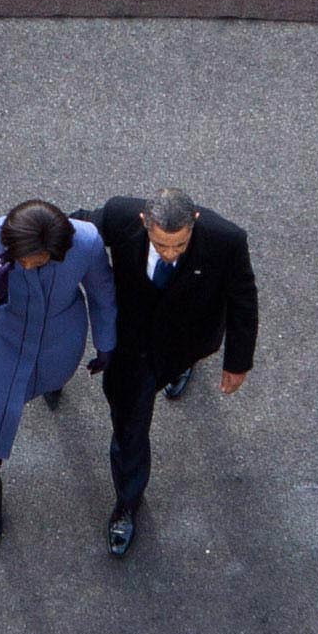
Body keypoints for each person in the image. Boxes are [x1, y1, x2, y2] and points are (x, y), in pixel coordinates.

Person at [87, 186, 256, 556]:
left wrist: (238, 362)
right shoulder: (118, 215)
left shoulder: (227, 239)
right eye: (162, 245)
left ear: (194, 223)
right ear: (144, 222)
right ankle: (127, 503)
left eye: (179, 246)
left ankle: (182, 370)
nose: (170, 253)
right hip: (134, 345)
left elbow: (243, 298)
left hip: (188, 338)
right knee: (128, 427)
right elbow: (74, 229)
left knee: (179, 363)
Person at [0, 198, 116, 549]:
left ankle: (51, 388)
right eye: (25, 260)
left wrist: (106, 344)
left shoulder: (86, 241)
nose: (31, 266)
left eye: (42, 261)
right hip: (1, 343)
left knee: (54, 380)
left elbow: (103, 294)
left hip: (57, 342)